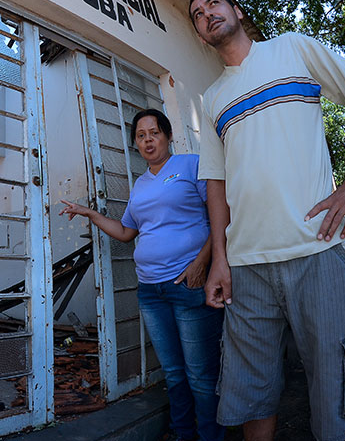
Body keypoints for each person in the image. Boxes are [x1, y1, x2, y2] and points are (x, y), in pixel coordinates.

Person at [189, 0, 345, 441]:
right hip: (246, 270)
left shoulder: (292, 48)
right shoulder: (213, 98)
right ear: (202, 36)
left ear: (238, 10)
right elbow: (217, 184)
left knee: (339, 391)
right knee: (251, 399)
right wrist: (219, 258)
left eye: (214, 4)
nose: (207, 14)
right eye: (198, 15)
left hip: (318, 249)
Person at [61, 108, 224, 441]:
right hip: (151, 291)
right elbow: (125, 232)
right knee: (174, 373)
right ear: (135, 143)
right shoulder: (140, 184)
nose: (148, 140)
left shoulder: (191, 165)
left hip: (188, 285)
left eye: (154, 132)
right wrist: (90, 213)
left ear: (166, 135)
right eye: (141, 135)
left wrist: (201, 264)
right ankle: (183, 434)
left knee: (200, 375)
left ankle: (211, 436)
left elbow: (222, 216)